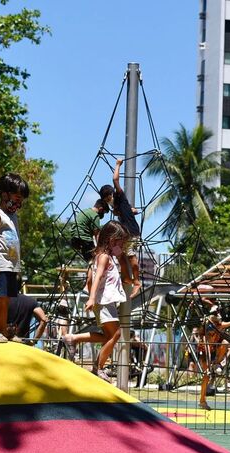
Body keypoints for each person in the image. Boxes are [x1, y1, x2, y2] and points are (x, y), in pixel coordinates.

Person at [60, 221, 129, 382]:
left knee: (107, 336)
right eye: (121, 242)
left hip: (104, 301)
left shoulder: (101, 257)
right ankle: (98, 368)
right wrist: (92, 298)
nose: (122, 246)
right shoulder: (104, 257)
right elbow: (96, 277)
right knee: (116, 334)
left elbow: (90, 278)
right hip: (104, 301)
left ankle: (73, 338)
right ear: (112, 240)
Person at [0, 173, 29, 340]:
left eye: (22, 198)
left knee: (6, 300)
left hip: (12, 265)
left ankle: (2, 331)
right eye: (17, 196)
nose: (19, 201)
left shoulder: (13, 216)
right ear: (5, 194)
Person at [99, 158, 141, 298]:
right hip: (123, 234)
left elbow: (115, 180)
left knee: (130, 255)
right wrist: (131, 210)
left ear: (111, 194)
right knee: (118, 254)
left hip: (131, 232)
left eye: (108, 198)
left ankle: (137, 282)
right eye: (106, 200)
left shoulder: (119, 196)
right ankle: (127, 278)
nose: (108, 201)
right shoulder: (114, 205)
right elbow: (125, 211)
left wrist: (117, 165)